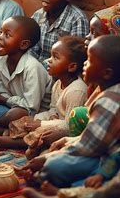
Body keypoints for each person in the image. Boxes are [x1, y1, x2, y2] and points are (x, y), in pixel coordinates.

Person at [38, 35, 120, 188]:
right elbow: (90, 138)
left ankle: (66, 193)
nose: (84, 64)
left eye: (89, 61)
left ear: (107, 73)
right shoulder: (105, 90)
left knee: (53, 166)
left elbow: (88, 147)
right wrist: (68, 141)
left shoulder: (109, 101)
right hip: (102, 154)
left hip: (110, 162)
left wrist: (46, 158)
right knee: (55, 164)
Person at [0, 16, 52, 140]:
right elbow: (4, 93)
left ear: (23, 44)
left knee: (16, 114)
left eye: (7, 35)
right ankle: (0, 129)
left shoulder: (33, 68)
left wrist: (2, 99)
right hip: (10, 107)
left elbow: (31, 107)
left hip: (33, 113)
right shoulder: (0, 61)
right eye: (1, 32)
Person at [7, 36, 88, 155]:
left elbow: (69, 125)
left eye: (55, 57)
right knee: (22, 122)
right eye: (50, 56)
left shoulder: (76, 90)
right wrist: (36, 118)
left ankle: (17, 143)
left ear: (71, 67)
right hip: (54, 122)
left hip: (66, 131)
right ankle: (27, 143)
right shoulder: (58, 84)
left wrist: (41, 123)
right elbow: (53, 109)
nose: (48, 60)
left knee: (39, 139)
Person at [30, 0, 89, 67]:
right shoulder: (38, 16)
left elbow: (75, 57)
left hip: (61, 73)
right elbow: (31, 49)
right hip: (36, 71)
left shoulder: (77, 19)